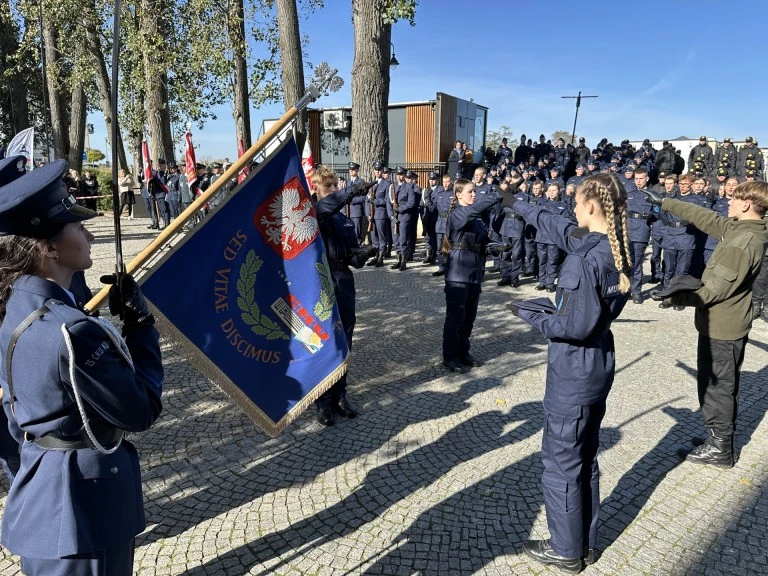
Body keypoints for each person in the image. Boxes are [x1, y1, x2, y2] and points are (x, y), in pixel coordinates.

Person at [0, 159, 164, 575]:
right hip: (84, 511)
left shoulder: (14, 305)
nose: (90, 235)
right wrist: (141, 327)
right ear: (48, 248)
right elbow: (140, 410)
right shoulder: (73, 331)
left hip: (42, 492)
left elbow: (14, 415)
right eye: (78, 227)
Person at [510, 172, 632, 574]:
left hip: (574, 370)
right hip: (598, 363)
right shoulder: (616, 248)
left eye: (577, 202)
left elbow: (572, 327)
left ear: (592, 206)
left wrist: (535, 314)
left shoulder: (584, 259)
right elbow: (562, 229)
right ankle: (585, 542)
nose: (573, 208)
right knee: (586, 456)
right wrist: (521, 205)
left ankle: (565, 549)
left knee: (561, 462)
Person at [645, 181, 768, 469]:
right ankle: (716, 436)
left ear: (747, 204)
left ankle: (721, 448)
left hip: (724, 329)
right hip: (722, 324)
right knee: (714, 384)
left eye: (734, 199)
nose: (728, 202)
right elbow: (708, 218)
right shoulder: (747, 228)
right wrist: (667, 202)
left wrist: (675, 298)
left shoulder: (741, 243)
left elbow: (712, 291)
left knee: (717, 388)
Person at [309, 166, 374, 425]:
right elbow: (324, 209)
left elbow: (350, 257)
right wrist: (350, 191)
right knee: (325, 341)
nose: (334, 190)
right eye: (329, 187)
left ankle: (340, 395)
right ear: (316, 189)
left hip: (344, 281)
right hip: (322, 284)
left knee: (345, 340)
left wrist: (363, 254)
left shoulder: (343, 218)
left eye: (336, 185)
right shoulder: (314, 212)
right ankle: (323, 401)